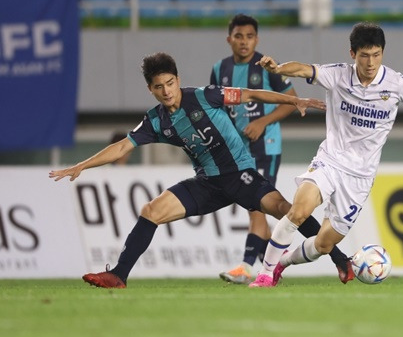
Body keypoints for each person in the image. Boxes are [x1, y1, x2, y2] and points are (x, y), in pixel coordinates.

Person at [48, 52, 350, 289]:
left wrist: (293, 99)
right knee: (151, 210)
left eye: (170, 83)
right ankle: (119, 275)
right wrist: (82, 165)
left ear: (177, 80)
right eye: (158, 87)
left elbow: (252, 94)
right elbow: (123, 147)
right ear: (150, 89)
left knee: (286, 208)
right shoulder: (156, 121)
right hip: (207, 183)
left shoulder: (205, 96)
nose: (166, 91)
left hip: (240, 175)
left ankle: (340, 259)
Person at [249, 22, 403, 287]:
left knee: (323, 243)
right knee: (299, 210)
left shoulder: (397, 84)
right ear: (352, 53)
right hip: (330, 161)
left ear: (383, 53)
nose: (370, 62)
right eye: (365, 55)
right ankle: (265, 273)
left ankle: (282, 264)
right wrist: (278, 68)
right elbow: (303, 68)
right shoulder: (339, 75)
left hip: (360, 177)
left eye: (376, 55)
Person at [209, 14, 353, 284]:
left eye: (249, 36)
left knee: (256, 206)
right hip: (238, 150)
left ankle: (247, 266)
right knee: (271, 208)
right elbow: (218, 107)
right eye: (238, 36)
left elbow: (291, 101)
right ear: (229, 39)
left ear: (257, 39)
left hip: (266, 146)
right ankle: (323, 258)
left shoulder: (265, 66)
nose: (244, 42)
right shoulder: (220, 69)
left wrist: (262, 122)